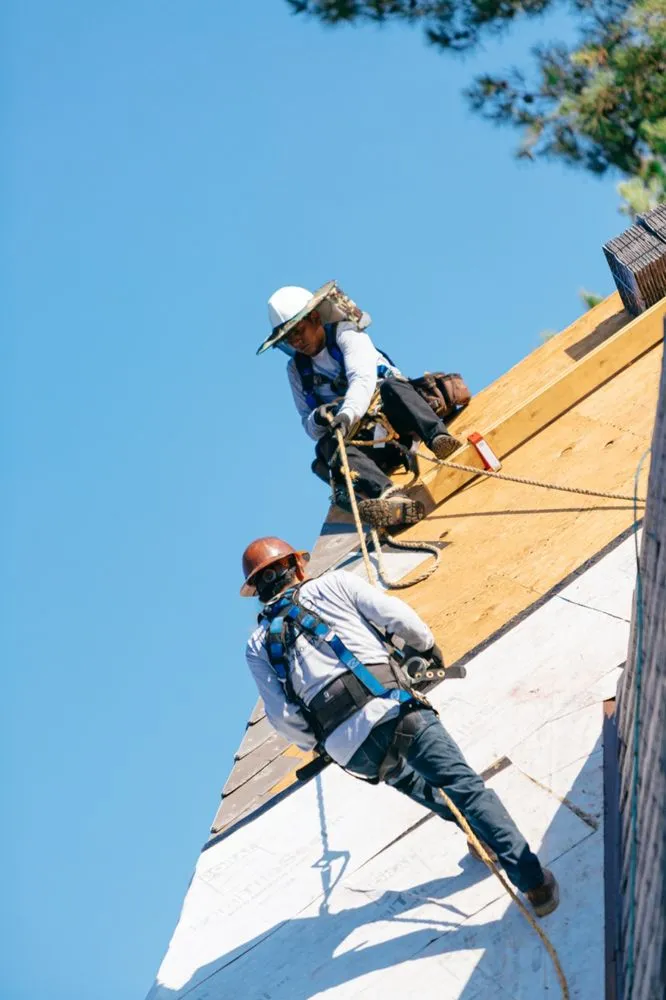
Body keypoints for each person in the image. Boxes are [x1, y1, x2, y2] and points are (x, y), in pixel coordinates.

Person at [241, 535, 560, 917]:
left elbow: (282, 717)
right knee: (465, 789)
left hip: (353, 750)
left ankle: (482, 839)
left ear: (258, 591)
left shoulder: (258, 645)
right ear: (297, 567)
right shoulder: (334, 584)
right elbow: (400, 619)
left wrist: (321, 742)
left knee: (421, 785)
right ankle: (534, 885)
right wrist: (425, 649)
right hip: (394, 710)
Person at [257, 282, 463, 528]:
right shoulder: (296, 370)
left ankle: (438, 438)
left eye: (298, 331)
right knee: (326, 447)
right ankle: (391, 498)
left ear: (314, 318)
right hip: (370, 446)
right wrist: (319, 419)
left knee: (390, 387)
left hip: (401, 420)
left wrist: (345, 416)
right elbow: (306, 422)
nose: (296, 342)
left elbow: (363, 381)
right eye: (289, 338)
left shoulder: (347, 334)